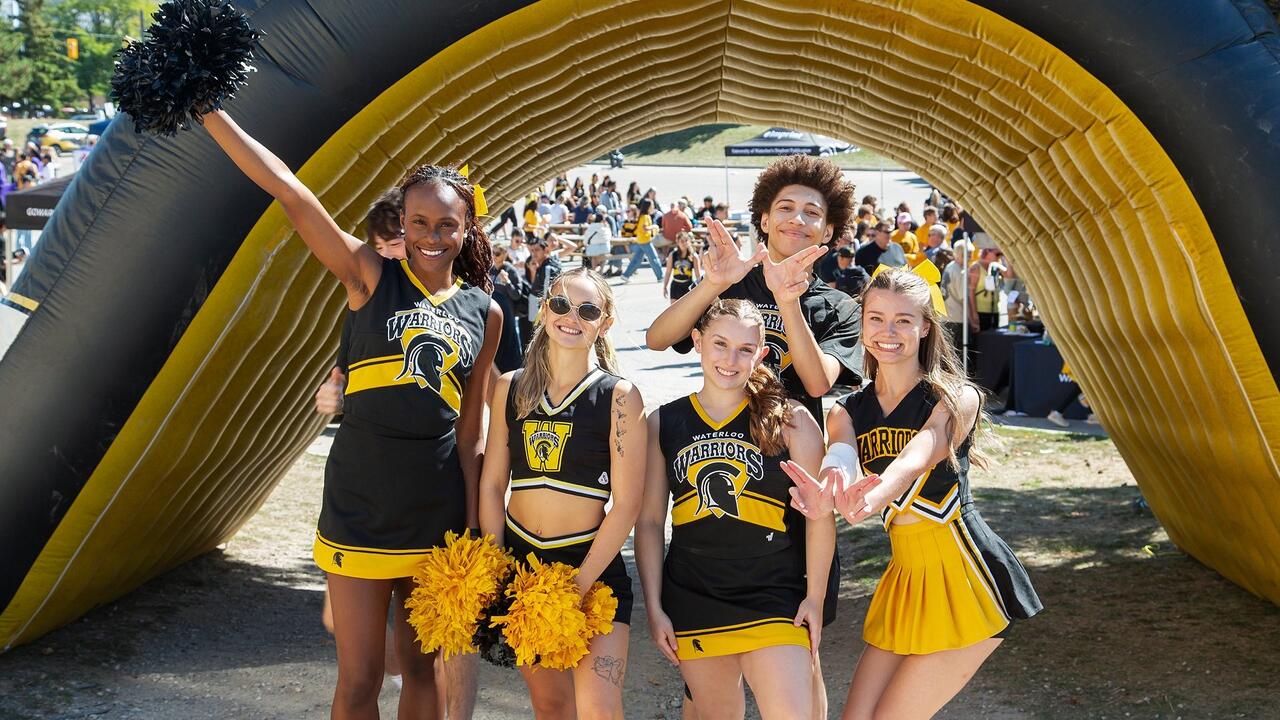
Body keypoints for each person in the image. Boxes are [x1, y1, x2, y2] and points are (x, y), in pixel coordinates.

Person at [203, 110, 500, 720]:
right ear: (403, 222)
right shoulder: (369, 275)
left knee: (423, 671)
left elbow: (472, 430)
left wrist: (474, 526)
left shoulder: (485, 312)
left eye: (448, 223)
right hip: (359, 503)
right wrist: (209, 110)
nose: (432, 235)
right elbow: (291, 190)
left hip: (437, 510)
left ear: (468, 228)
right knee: (359, 680)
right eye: (419, 221)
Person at [790, 267, 1041, 719]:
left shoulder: (957, 396)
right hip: (906, 579)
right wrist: (832, 484)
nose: (889, 332)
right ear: (862, 324)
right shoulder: (849, 409)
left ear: (925, 326)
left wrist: (874, 495)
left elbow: (918, 455)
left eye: (904, 320)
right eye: (876, 318)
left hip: (967, 577)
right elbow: (843, 454)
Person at [636, 299, 837, 719]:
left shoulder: (792, 420)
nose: (731, 359)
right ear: (697, 342)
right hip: (695, 596)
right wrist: (654, 607)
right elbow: (651, 522)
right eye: (720, 344)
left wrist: (815, 597)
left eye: (745, 349)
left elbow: (820, 515)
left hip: (775, 594)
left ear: (761, 354)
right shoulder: (663, 422)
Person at [479, 267, 645, 719]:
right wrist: (495, 564)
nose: (571, 317)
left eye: (587, 309)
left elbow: (627, 504)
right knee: (551, 706)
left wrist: (579, 584)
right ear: (543, 310)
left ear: (604, 323)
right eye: (559, 304)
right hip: (523, 566)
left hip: (591, 569)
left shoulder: (620, 397)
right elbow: (493, 484)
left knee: (599, 708)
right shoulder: (510, 387)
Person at [646, 154, 861, 423]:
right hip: (718, 437)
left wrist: (788, 300)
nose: (797, 219)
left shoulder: (842, 307)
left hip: (792, 445)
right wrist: (714, 284)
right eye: (785, 208)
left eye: (812, 212)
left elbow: (817, 384)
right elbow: (656, 340)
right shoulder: (732, 282)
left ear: (828, 232)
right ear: (765, 221)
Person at [969, 248, 1014, 331]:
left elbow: (1009, 276)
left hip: (995, 310)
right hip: (981, 311)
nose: (999, 257)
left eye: (1000, 255)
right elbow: (971, 292)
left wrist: (1006, 256)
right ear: (987, 252)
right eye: (997, 254)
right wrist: (974, 313)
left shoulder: (996, 266)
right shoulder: (976, 268)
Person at [621, 198, 663, 283]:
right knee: (654, 259)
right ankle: (660, 276)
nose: (653, 207)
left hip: (641, 240)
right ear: (648, 207)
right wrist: (654, 227)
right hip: (645, 240)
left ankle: (626, 275)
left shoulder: (642, 216)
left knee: (637, 259)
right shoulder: (645, 217)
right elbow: (645, 228)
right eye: (652, 206)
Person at [663, 231, 701, 303]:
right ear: (677, 242)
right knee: (674, 310)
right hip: (676, 285)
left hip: (688, 285)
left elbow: (698, 274)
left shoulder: (694, 256)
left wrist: (700, 288)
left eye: (686, 240)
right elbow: (668, 272)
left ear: (689, 241)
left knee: (688, 309)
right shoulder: (673, 255)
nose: (684, 243)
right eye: (682, 241)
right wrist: (665, 286)